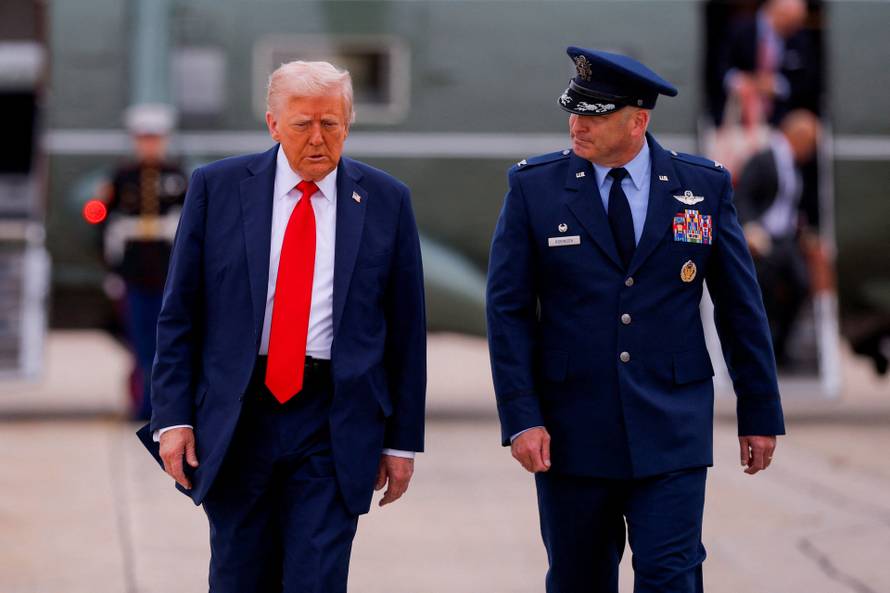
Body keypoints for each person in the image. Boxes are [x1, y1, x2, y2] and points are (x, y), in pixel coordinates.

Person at [486, 46, 785, 593]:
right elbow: (507, 311)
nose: (576, 125)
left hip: (671, 427)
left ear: (638, 121)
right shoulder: (535, 188)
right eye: (572, 111)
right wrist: (521, 417)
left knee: (672, 577)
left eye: (593, 114)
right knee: (578, 579)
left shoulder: (703, 188)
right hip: (572, 434)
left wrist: (759, 411)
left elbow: (740, 306)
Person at [136, 61, 426, 593]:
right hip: (240, 415)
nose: (318, 139)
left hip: (333, 418)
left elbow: (406, 330)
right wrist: (172, 417)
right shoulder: (216, 189)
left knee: (316, 578)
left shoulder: (386, 200)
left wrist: (402, 441)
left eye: (332, 124)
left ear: (348, 123)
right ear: (272, 123)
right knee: (238, 575)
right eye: (302, 124)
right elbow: (180, 314)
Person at [100, 103, 187, 420]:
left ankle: (165, 407)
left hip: (168, 273)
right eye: (144, 138)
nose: (150, 144)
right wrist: (112, 271)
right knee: (139, 341)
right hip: (134, 272)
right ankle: (143, 405)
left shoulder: (177, 176)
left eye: (155, 138)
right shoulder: (122, 178)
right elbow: (105, 224)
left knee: (169, 343)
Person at [734, 109, 822, 366]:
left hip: (785, 240)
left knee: (801, 284)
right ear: (798, 136)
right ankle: (760, 347)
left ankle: (779, 347)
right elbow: (742, 197)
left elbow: (790, 206)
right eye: (811, 142)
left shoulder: (794, 167)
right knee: (763, 289)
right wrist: (749, 227)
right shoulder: (763, 159)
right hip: (761, 240)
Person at [715, 0, 821, 127]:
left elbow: (809, 81)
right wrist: (740, 82)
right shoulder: (738, 29)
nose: (797, 27)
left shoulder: (801, 39)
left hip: (781, 121)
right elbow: (718, 67)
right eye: (793, 21)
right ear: (777, 12)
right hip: (737, 120)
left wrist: (777, 85)